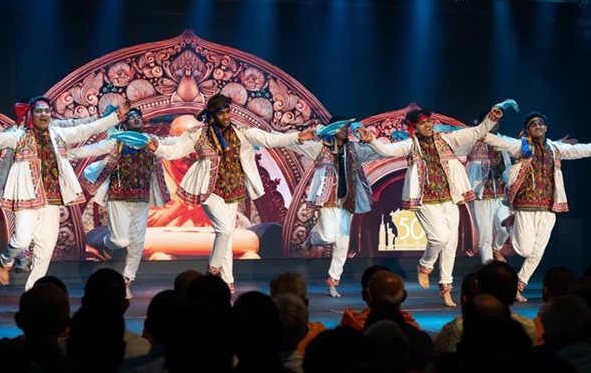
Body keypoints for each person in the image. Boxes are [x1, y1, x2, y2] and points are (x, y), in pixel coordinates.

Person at [0, 95, 131, 290]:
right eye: (39, 111)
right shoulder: (19, 136)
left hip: (51, 200)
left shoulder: (59, 134)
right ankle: (5, 261)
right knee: (22, 240)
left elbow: (88, 129)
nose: (43, 114)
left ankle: (32, 294)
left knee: (45, 252)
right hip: (27, 198)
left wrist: (118, 115)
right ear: (31, 115)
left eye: (46, 111)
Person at [148, 93, 315, 293]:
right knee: (225, 231)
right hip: (208, 190)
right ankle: (212, 269)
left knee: (226, 237)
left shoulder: (241, 133)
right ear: (212, 115)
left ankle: (227, 280)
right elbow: (175, 151)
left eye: (228, 112)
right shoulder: (199, 134)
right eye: (222, 113)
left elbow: (270, 139)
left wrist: (297, 136)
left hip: (231, 191)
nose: (227, 117)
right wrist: (158, 148)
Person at [363, 104, 505, 306]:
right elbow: (386, 151)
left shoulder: (447, 139)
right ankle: (425, 265)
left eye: (429, 121)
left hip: (449, 198)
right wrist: (371, 140)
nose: (428, 125)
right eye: (422, 124)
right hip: (425, 200)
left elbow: (476, 132)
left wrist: (492, 117)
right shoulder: (410, 145)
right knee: (438, 238)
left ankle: (445, 289)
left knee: (450, 245)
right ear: (414, 128)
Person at [484, 111, 591, 302]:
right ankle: (511, 224)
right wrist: (478, 131)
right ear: (528, 130)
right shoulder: (520, 146)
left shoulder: (555, 148)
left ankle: (519, 284)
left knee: (538, 251)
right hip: (525, 205)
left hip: (549, 207)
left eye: (541, 124)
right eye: (534, 125)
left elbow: (580, 150)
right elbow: (499, 141)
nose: (538, 127)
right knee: (525, 250)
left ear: (546, 128)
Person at [67, 107, 171, 299]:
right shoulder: (117, 141)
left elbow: (172, 144)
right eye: (132, 117)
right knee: (120, 241)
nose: (136, 119)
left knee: (137, 243)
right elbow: (92, 149)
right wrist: (66, 154)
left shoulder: (150, 141)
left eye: (139, 117)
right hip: (119, 197)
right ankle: (105, 242)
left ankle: (127, 280)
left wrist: (192, 138)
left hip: (142, 198)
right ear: (125, 123)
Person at [289, 116, 379, 297]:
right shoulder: (320, 148)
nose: (346, 130)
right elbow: (293, 144)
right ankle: (312, 237)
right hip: (327, 199)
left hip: (346, 200)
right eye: (342, 127)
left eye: (347, 127)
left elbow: (379, 153)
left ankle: (333, 280)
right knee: (327, 236)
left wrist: (370, 140)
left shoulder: (354, 149)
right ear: (332, 130)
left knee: (342, 242)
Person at [462, 110, 513, 264]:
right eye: (490, 119)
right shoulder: (472, 140)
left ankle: (497, 248)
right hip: (481, 196)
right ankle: (489, 271)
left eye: (496, 120)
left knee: (505, 229)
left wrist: (556, 144)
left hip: (502, 196)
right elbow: (453, 144)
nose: (493, 123)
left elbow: (525, 146)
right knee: (485, 238)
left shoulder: (504, 141)